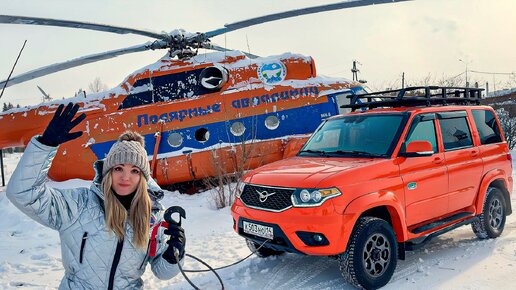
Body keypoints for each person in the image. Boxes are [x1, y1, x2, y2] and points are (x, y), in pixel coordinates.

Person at [6, 103, 186, 289]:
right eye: (118, 168)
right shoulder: (79, 205)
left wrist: (174, 255)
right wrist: (45, 146)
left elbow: (162, 272)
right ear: (108, 172)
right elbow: (22, 193)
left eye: (134, 171)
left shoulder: (153, 214)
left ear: (143, 178)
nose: (125, 177)